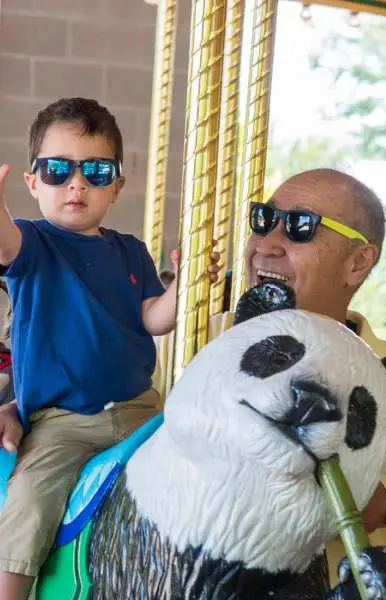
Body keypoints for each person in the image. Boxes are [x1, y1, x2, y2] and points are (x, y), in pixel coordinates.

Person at [0, 96, 219, 600]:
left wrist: (184, 285)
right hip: (64, 422)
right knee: (32, 500)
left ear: (117, 185)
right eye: (57, 170)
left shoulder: (130, 250)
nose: (76, 183)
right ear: (33, 182)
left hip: (144, 409)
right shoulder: (33, 244)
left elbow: (153, 318)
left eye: (96, 171)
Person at [153, 168, 386, 586]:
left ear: (358, 262)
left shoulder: (385, 374)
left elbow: (371, 506)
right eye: (262, 222)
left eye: (300, 228)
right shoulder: (203, 335)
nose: (264, 245)